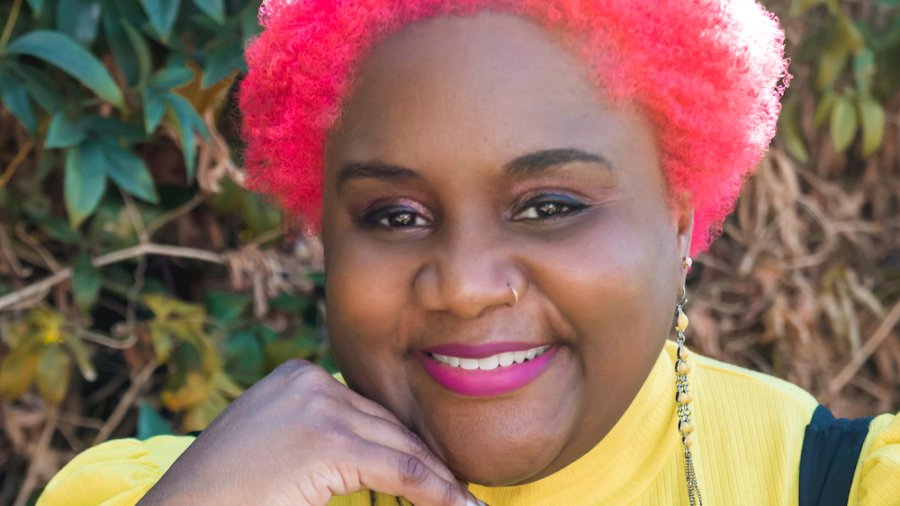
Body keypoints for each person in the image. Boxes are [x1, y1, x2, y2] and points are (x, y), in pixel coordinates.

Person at [38, 0, 900, 505]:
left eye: (550, 206)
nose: (465, 286)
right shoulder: (172, 493)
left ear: (680, 217)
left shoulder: (834, 483)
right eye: (396, 216)